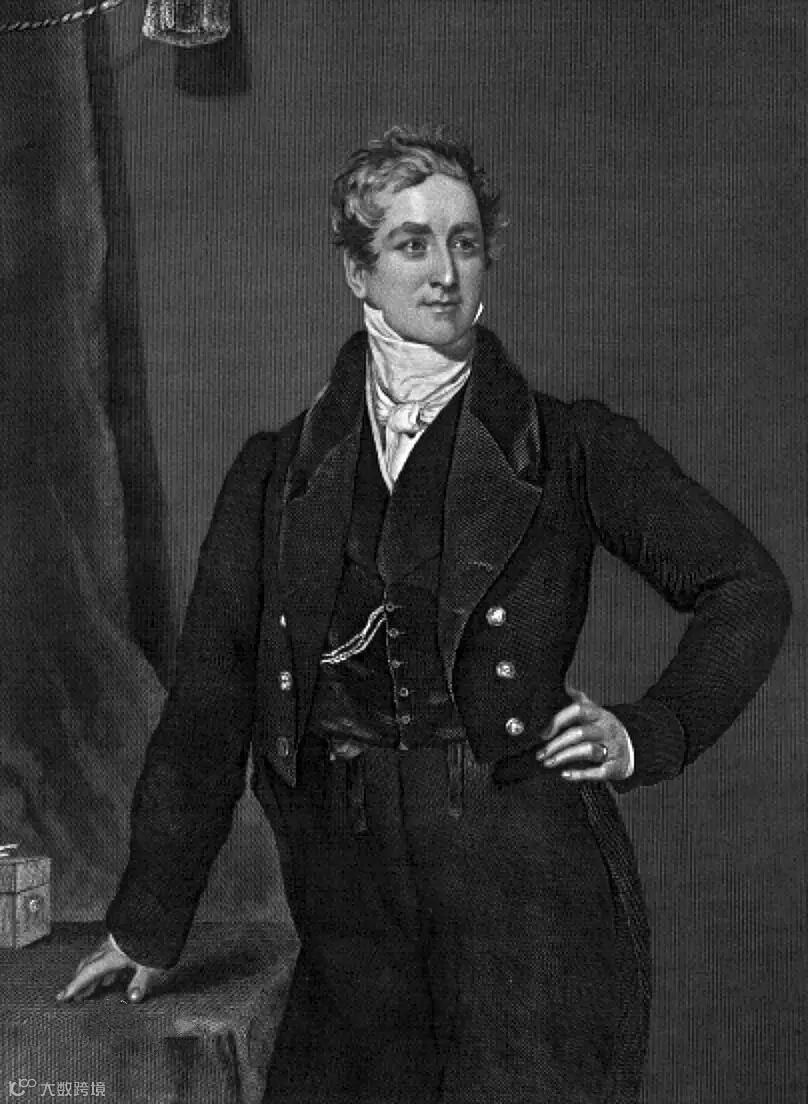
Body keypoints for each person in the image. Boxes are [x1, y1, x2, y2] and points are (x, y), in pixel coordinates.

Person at [58, 126, 791, 1104]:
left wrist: (644, 733)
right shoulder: (275, 474)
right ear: (358, 270)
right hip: (350, 922)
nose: (445, 272)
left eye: (465, 242)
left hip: (531, 908)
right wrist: (149, 923)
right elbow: (208, 706)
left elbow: (747, 589)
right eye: (412, 244)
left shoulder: (569, 447)